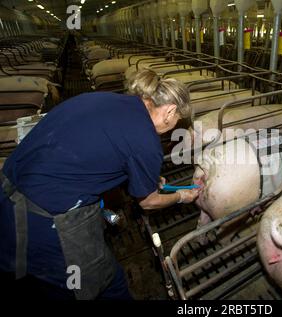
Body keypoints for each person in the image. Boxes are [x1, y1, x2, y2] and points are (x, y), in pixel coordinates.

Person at [0, 69, 199, 300]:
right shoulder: (146, 139)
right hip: (44, 223)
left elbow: (101, 149)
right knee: (103, 286)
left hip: (8, 194)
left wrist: (143, 176)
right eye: (177, 121)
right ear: (170, 111)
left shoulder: (106, 100)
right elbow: (148, 202)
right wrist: (182, 196)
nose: (175, 127)